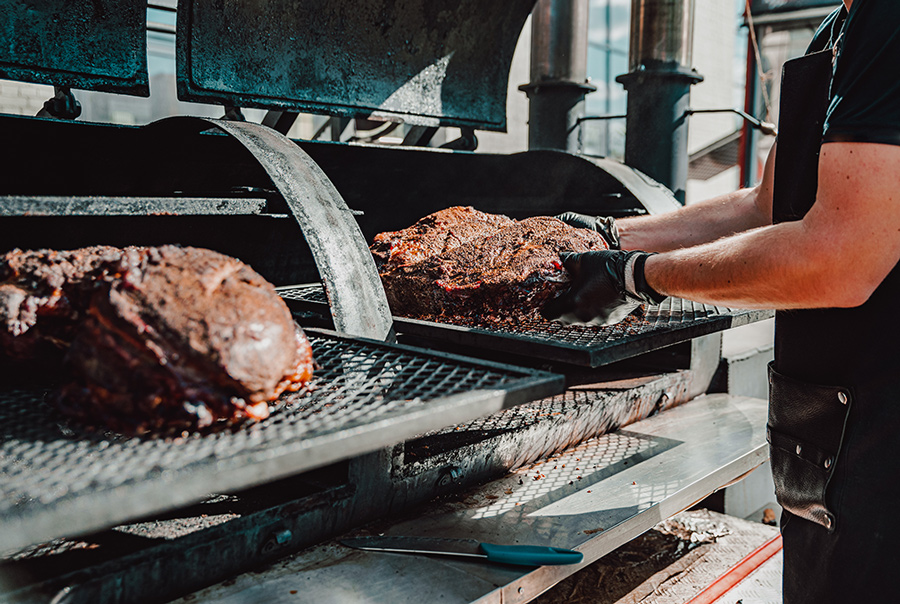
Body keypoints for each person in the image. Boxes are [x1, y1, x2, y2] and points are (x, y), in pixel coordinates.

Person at [543, 1, 900, 602]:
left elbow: (842, 257)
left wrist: (636, 278)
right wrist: (611, 237)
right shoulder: (842, 27)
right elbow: (769, 204)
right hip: (835, 433)